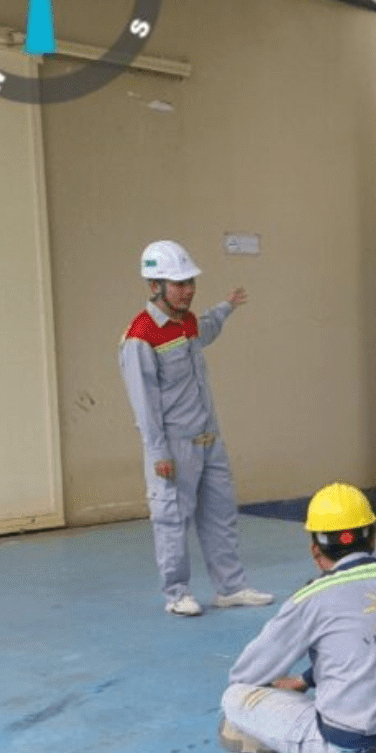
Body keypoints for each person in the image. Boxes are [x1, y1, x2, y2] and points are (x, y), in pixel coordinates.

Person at [218, 483, 376, 753]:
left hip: (352, 752)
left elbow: (247, 674)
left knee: (234, 697)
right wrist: (307, 679)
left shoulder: (313, 596)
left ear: (315, 549)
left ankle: (276, 740)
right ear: (372, 539)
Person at [119, 239, 273, 617]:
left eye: (190, 282)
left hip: (209, 439)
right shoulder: (140, 337)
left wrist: (226, 308)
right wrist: (158, 453)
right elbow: (144, 402)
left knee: (220, 514)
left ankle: (231, 587)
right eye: (179, 283)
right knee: (172, 518)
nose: (187, 290)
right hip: (175, 445)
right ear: (155, 286)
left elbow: (206, 329)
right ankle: (176, 593)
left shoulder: (186, 321)